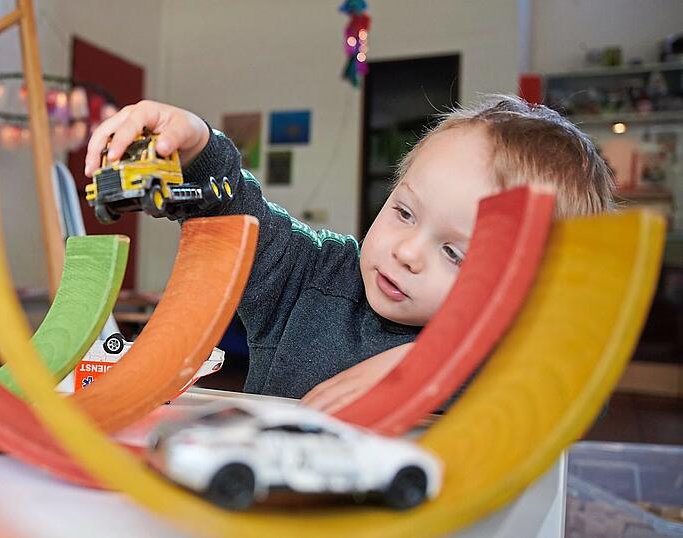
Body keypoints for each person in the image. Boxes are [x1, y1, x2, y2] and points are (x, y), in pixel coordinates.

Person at [84, 94, 615, 411]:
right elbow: (239, 216)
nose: (407, 251)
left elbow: (566, 364)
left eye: (456, 254)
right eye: (405, 212)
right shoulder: (313, 278)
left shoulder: (511, 366)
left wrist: (429, 360)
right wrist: (197, 146)